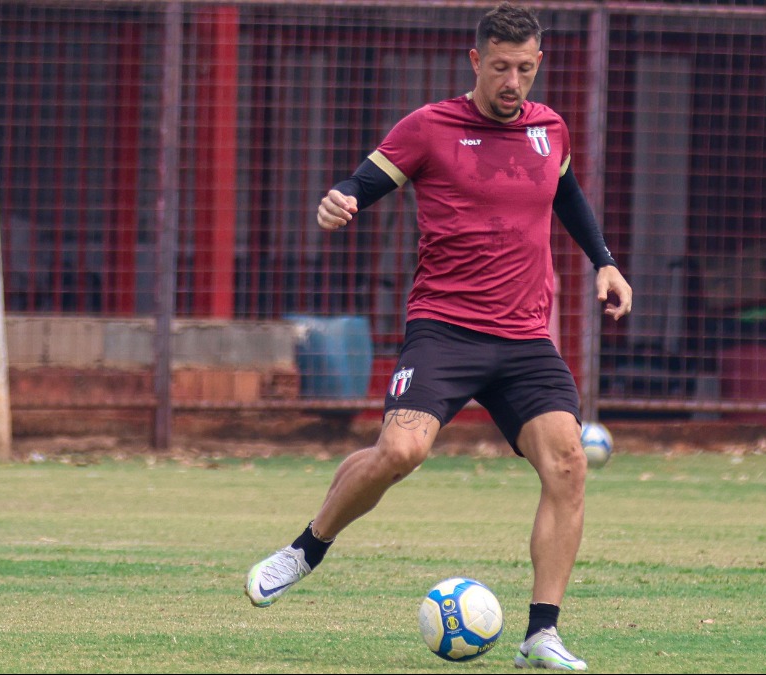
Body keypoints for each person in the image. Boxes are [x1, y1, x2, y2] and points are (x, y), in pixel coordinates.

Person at [244, 3, 632, 670]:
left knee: (567, 463)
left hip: (525, 337)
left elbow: (566, 195)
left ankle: (542, 632)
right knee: (399, 451)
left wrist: (605, 262)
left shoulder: (550, 129)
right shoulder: (430, 127)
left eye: (526, 68)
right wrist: (339, 200)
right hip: (445, 328)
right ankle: (305, 549)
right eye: (502, 67)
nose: (514, 82)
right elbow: (362, 182)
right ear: (475, 62)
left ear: (538, 65)